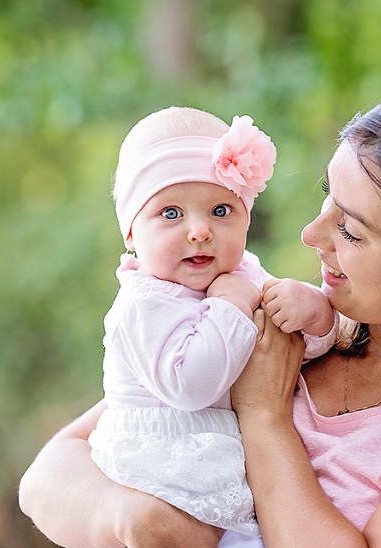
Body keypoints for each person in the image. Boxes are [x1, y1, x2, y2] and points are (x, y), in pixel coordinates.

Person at [19, 93, 381, 548]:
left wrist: (264, 416)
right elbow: (47, 477)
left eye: (351, 229)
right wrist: (138, 521)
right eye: (326, 201)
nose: (310, 236)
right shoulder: (299, 324)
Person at [87, 107, 337, 540]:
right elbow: (190, 385)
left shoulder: (244, 273)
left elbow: (297, 349)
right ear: (130, 232)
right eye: (170, 214)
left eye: (222, 210)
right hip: (166, 470)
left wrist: (314, 313)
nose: (200, 231)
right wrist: (229, 306)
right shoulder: (141, 305)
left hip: (229, 461)